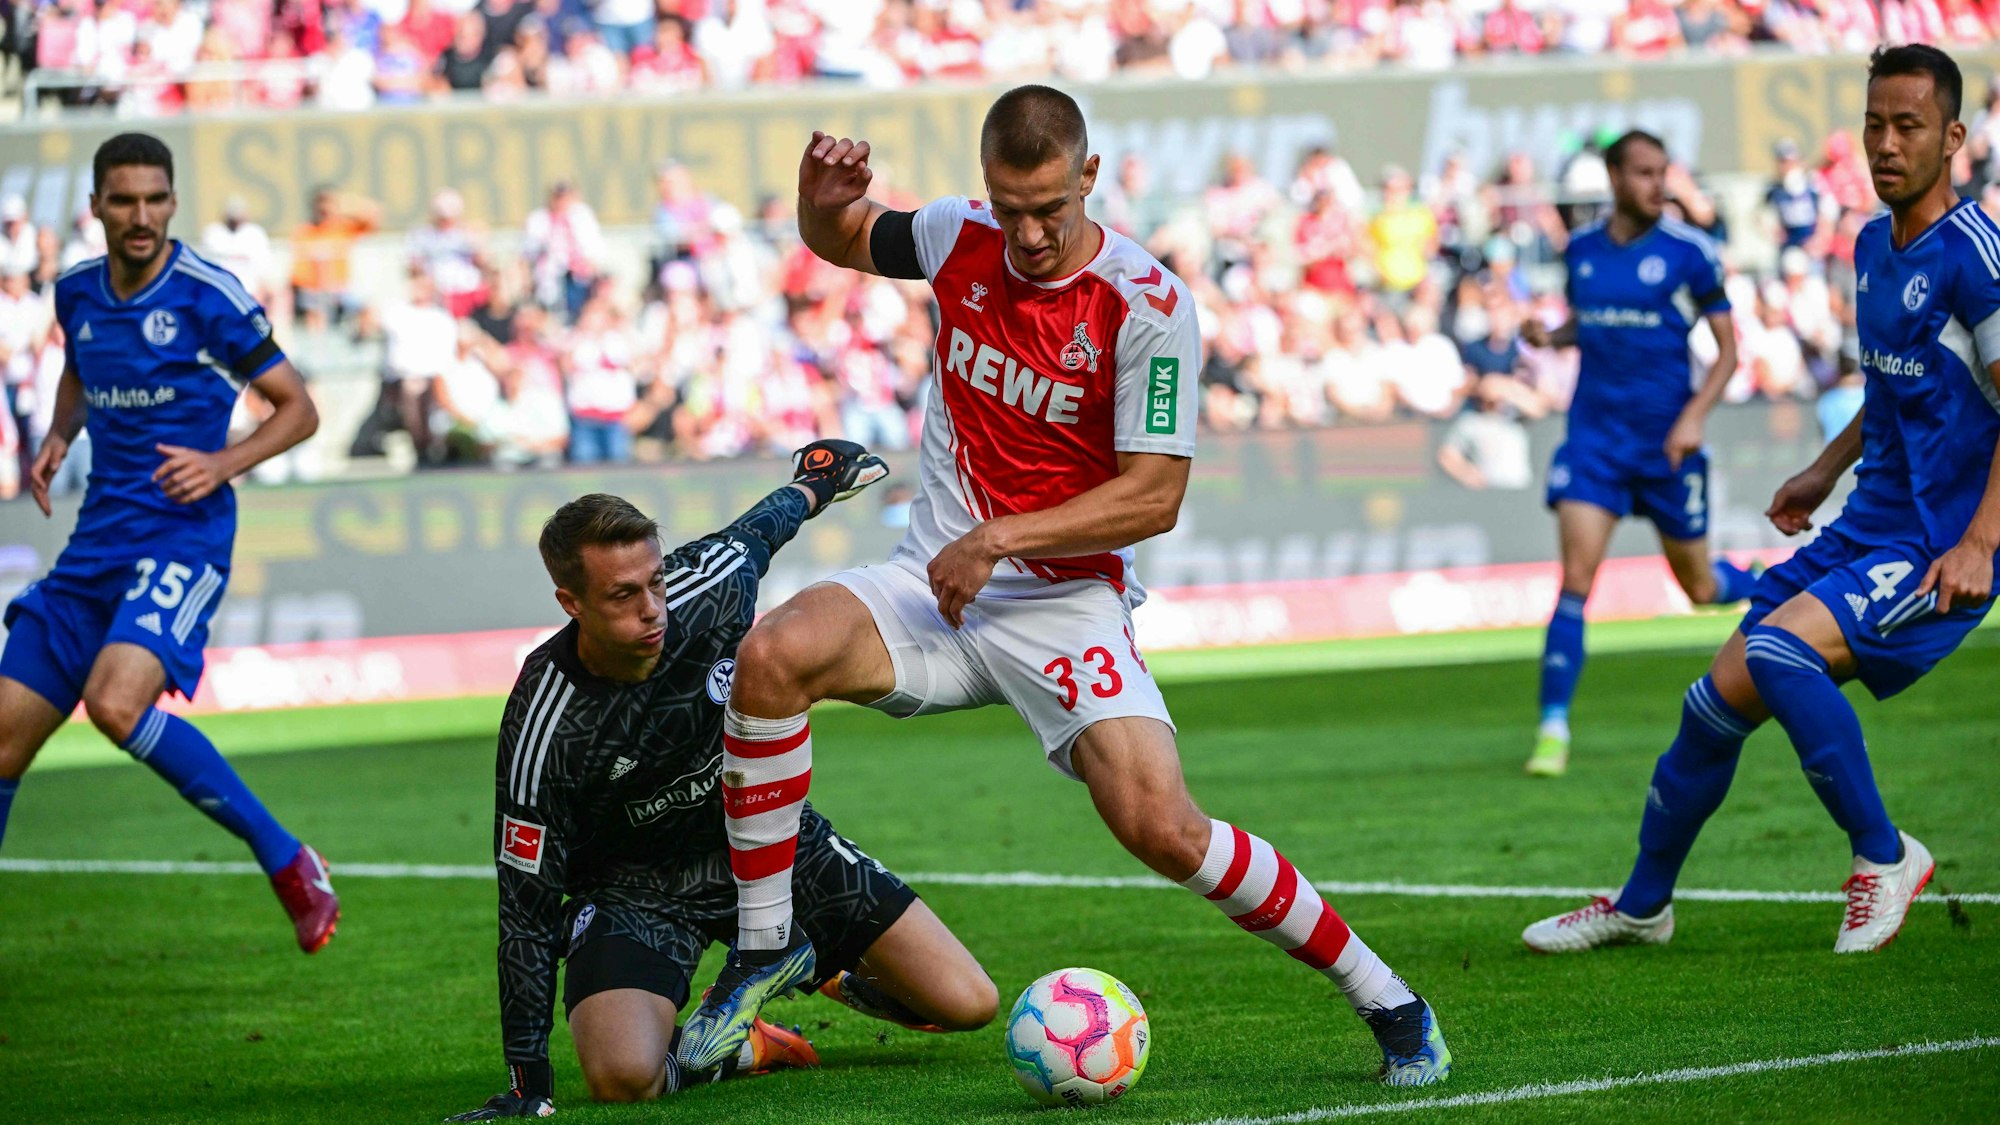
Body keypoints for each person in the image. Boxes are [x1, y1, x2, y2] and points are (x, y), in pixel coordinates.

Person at [676, 85, 1453, 1088]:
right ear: (985, 189)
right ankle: (765, 945)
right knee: (771, 657)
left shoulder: (1148, 305)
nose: (1030, 233)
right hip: (934, 579)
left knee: (1160, 826)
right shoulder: (956, 238)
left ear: (1088, 177)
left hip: (1063, 603)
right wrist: (819, 197)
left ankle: (1386, 999)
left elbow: (1154, 496)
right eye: (1010, 208)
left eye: (1050, 207)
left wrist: (998, 538)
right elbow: (842, 237)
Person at [1522, 44, 1999, 956]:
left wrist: (1980, 540)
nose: (1887, 144)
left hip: (1942, 540)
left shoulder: (1977, 257)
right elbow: (1898, 388)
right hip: (1867, 522)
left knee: (1781, 652)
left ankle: (1884, 854)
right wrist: (1825, 468)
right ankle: (1643, 904)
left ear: (1954, 138)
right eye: (1873, 124)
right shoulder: (1870, 245)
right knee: (1711, 702)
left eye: (1908, 126)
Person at [445, 449, 997, 1121]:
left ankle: (813, 964)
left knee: (968, 1002)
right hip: (636, 888)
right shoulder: (545, 721)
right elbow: (525, 909)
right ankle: (750, 1045)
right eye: (623, 595)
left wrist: (817, 479)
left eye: (654, 581)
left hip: (766, 844)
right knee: (622, 1078)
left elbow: (758, 531)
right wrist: (529, 1084)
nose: (653, 609)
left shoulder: (704, 589)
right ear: (571, 602)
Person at [0, 133, 338, 953]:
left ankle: (289, 859)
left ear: (173, 203)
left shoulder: (206, 295)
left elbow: (298, 407)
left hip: (182, 538)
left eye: (155, 198)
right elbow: (81, 367)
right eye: (124, 200)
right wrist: (56, 432)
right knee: (4, 734)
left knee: (116, 704)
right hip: (96, 544)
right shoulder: (76, 291)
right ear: (97, 209)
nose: (141, 215)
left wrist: (224, 461)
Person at [1519, 130, 1760, 778]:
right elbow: (1591, 321)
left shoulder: (1691, 253)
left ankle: (1762, 584)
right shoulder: (1586, 252)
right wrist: (1552, 332)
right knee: (1574, 582)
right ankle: (1551, 730)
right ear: (1615, 177)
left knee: (1702, 586)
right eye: (1646, 173)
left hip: (1665, 446)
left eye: (1663, 172)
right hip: (1594, 441)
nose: (1659, 184)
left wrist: (1692, 416)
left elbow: (1729, 351)